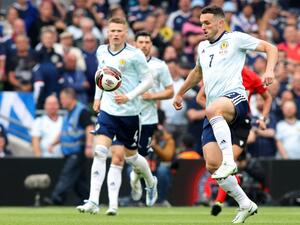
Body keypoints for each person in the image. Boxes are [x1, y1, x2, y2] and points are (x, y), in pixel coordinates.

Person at [173, 5, 277, 223]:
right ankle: (246, 203)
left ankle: (230, 161)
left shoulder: (236, 39)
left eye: (207, 22)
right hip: (215, 113)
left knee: (213, 110)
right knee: (212, 164)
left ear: (221, 22)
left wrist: (268, 70)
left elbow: (271, 48)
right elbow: (196, 73)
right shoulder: (202, 47)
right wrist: (180, 93)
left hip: (235, 100)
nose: (203, 27)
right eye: (201, 23)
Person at [76, 18, 157, 215]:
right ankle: (94, 200)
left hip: (130, 114)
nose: (115, 34)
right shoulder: (101, 50)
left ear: (125, 33)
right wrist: (97, 98)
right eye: (112, 30)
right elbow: (100, 75)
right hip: (108, 111)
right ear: (107, 32)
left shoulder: (135, 54)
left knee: (132, 157)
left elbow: (148, 80)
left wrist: (129, 96)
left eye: (119, 31)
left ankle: (150, 181)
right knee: (100, 151)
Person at [104, 31, 174, 215]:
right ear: (135, 43)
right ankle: (133, 190)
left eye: (147, 42)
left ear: (151, 45)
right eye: (140, 42)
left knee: (137, 159)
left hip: (147, 119)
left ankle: (139, 183)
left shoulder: (159, 66)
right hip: (124, 116)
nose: (144, 45)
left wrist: (152, 95)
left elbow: (170, 91)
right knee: (121, 157)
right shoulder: (125, 62)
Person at [197, 67, 273, 215]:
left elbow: (267, 97)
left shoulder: (251, 76)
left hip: (240, 124)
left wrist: (263, 118)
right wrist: (215, 111)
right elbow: (200, 97)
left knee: (228, 162)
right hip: (220, 121)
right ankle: (234, 188)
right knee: (216, 165)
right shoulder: (218, 72)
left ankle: (219, 201)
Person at [50, 88, 94, 205]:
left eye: (62, 99)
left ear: (70, 98)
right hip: (69, 151)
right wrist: (54, 143)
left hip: (78, 151)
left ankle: (56, 198)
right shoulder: (68, 112)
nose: (61, 102)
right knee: (79, 180)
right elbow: (65, 131)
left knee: (67, 175)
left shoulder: (81, 111)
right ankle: (86, 199)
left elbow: (89, 127)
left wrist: (89, 147)